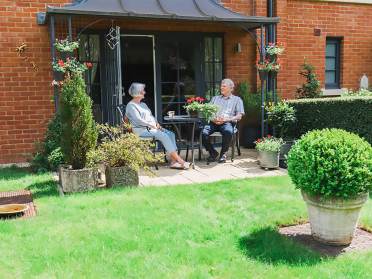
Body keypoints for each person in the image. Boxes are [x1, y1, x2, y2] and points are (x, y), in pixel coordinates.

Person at [125, 82, 190, 169]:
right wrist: (151, 125)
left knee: (171, 134)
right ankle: (180, 161)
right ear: (137, 93)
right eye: (142, 91)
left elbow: (151, 116)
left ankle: (173, 161)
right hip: (141, 130)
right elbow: (138, 120)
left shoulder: (143, 104)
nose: (144, 92)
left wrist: (156, 123)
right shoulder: (131, 105)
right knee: (163, 135)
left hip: (151, 128)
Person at [202, 79, 245, 163]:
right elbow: (207, 112)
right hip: (213, 122)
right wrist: (213, 118)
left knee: (228, 131)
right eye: (221, 86)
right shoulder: (215, 98)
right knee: (203, 133)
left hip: (227, 122)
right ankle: (213, 152)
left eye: (224, 86)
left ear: (231, 88)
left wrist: (226, 119)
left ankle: (223, 154)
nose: (221, 88)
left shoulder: (237, 100)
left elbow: (239, 116)